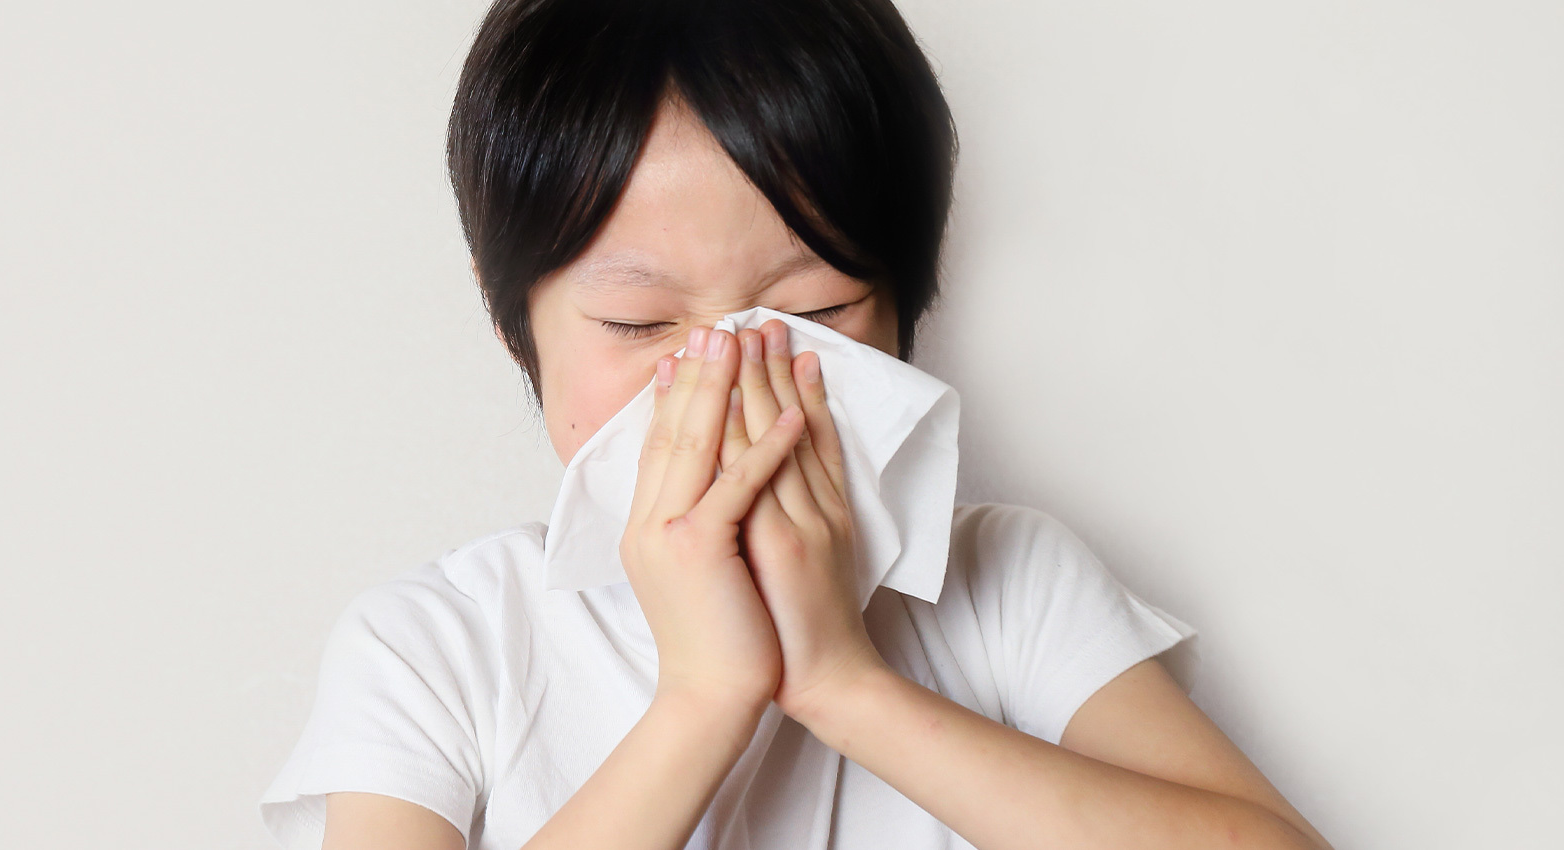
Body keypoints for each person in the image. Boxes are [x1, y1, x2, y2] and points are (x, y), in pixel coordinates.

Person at [258, 1, 1333, 848]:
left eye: (812, 313)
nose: (726, 377)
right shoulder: (438, 647)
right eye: (638, 322)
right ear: (518, 340)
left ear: (907, 314)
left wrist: (840, 679)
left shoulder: (1007, 585)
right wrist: (701, 697)